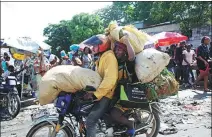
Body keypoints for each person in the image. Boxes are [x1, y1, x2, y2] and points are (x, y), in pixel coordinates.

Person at [81, 34, 118, 137]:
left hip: (107, 94)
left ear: (102, 45)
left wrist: (96, 95)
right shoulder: (102, 57)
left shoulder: (109, 57)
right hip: (102, 91)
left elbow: (110, 80)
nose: (92, 48)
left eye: (94, 45)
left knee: (90, 121)